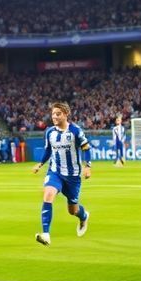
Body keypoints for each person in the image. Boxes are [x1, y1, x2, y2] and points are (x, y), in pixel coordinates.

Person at [32, 101, 91, 246]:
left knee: (73, 210)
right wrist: (40, 164)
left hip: (72, 177)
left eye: (58, 114)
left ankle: (84, 216)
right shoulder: (50, 132)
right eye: (53, 114)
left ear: (65, 115)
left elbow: (86, 148)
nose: (54, 117)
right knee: (48, 195)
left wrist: (87, 166)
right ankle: (46, 234)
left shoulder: (76, 131)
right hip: (55, 172)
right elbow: (48, 150)